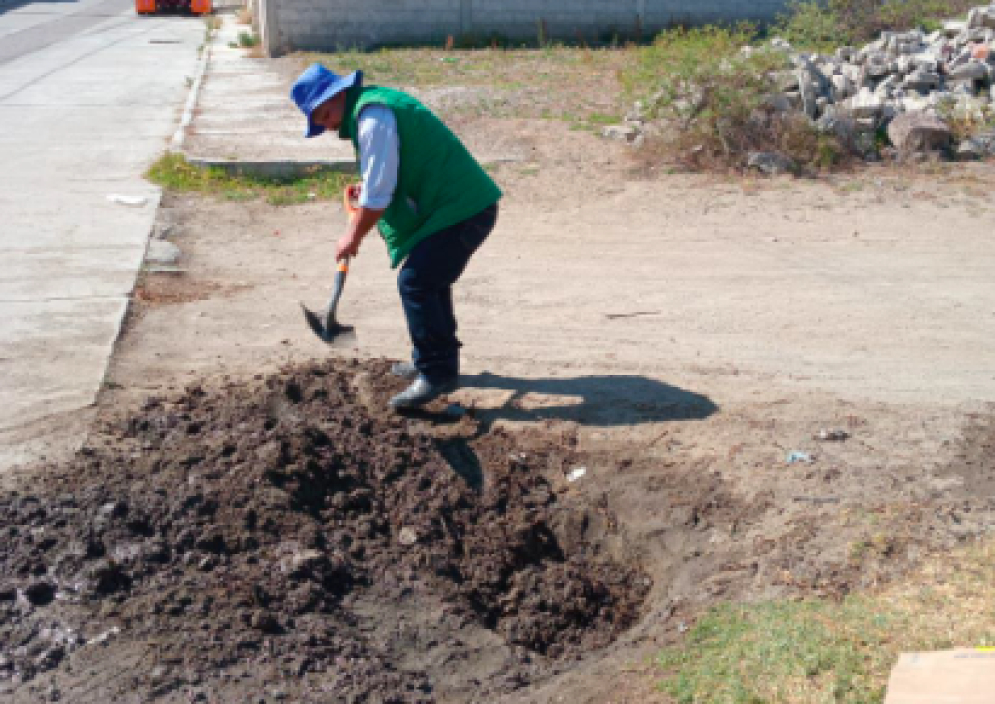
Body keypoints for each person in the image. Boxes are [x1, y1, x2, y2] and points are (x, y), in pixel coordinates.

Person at [290, 63, 501, 410]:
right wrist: (370, 189)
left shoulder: (373, 118)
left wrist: (352, 235)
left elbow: (378, 197)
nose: (326, 124)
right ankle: (435, 364)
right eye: (319, 121)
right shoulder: (370, 111)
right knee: (429, 280)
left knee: (416, 282)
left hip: (463, 210)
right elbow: (386, 176)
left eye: (324, 113)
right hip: (454, 208)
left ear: (339, 94)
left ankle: (435, 375)